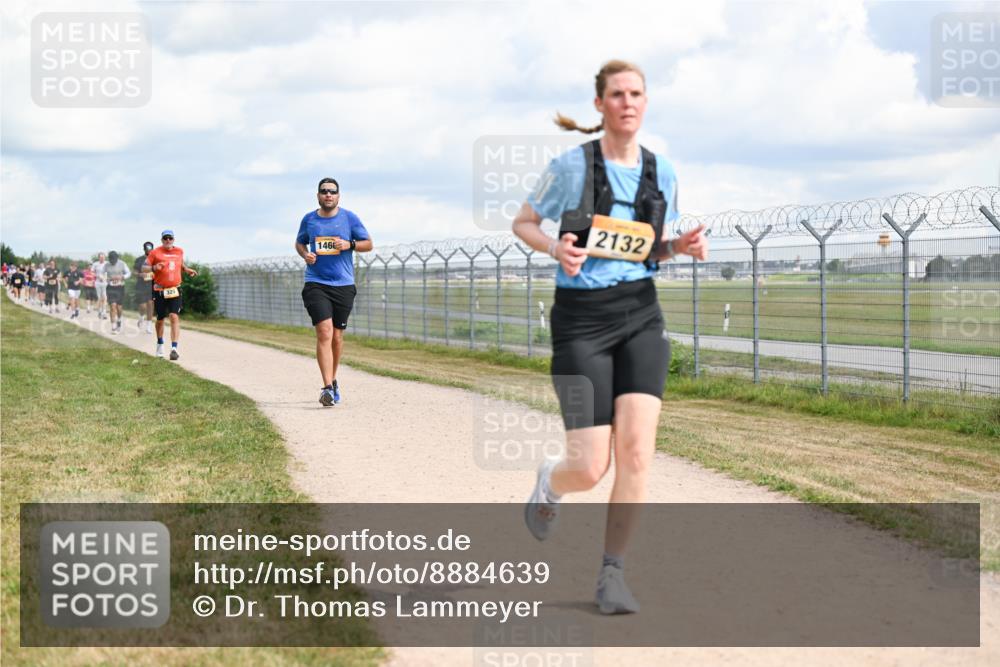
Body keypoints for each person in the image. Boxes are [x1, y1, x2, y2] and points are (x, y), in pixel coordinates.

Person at [511, 60, 708, 615]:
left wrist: (679, 248)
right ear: (599, 105)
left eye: (637, 93)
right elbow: (523, 222)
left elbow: (648, 246)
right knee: (591, 466)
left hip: (641, 314)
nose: (628, 102)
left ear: (646, 102)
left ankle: (612, 575)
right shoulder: (570, 166)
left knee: (638, 452)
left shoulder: (661, 170)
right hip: (581, 321)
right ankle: (551, 484)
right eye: (617, 94)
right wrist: (556, 248)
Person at [295, 177, 373, 406]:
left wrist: (350, 245)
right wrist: (305, 255)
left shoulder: (349, 218)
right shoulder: (309, 219)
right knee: (325, 332)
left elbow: (368, 243)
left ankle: (334, 378)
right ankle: (326, 387)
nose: (328, 195)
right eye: (324, 191)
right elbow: (300, 243)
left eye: (332, 191)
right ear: (318, 195)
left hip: (343, 285)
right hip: (316, 283)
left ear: (338, 196)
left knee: (337, 337)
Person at [145, 230, 197, 360]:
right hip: (160, 290)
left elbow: (180, 264)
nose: (168, 240)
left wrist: (186, 269)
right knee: (161, 318)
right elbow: (144, 268)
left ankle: (174, 348)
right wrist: (154, 267)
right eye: (165, 238)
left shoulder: (179, 251)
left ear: (173, 239)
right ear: (162, 240)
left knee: (174, 316)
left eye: (170, 238)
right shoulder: (155, 252)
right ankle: (160, 343)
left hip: (175, 289)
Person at [105, 251, 131, 333]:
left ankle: (119, 320)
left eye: (114, 259)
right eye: (111, 259)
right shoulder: (106, 265)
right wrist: (105, 278)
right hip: (110, 287)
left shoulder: (122, 264)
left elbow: (129, 273)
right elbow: (101, 274)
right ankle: (113, 326)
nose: (113, 261)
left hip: (120, 287)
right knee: (112, 306)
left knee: (119, 307)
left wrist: (122, 277)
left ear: (117, 258)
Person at [134, 241, 155, 333]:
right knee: (143, 306)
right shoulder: (139, 260)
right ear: (144, 249)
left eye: (150, 249)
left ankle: (149, 325)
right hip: (141, 285)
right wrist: (140, 274)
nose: (149, 251)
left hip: (152, 285)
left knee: (150, 304)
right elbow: (134, 272)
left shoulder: (156, 259)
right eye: (147, 249)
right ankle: (141, 317)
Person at [91, 252, 109, 319]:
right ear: (99, 258)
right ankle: (100, 311)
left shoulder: (107, 264)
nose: (102, 258)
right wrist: (98, 276)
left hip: (105, 282)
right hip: (98, 283)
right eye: (101, 257)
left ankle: (104, 313)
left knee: (105, 297)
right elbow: (92, 272)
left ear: (105, 257)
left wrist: (106, 278)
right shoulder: (95, 264)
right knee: (100, 298)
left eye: (103, 257)